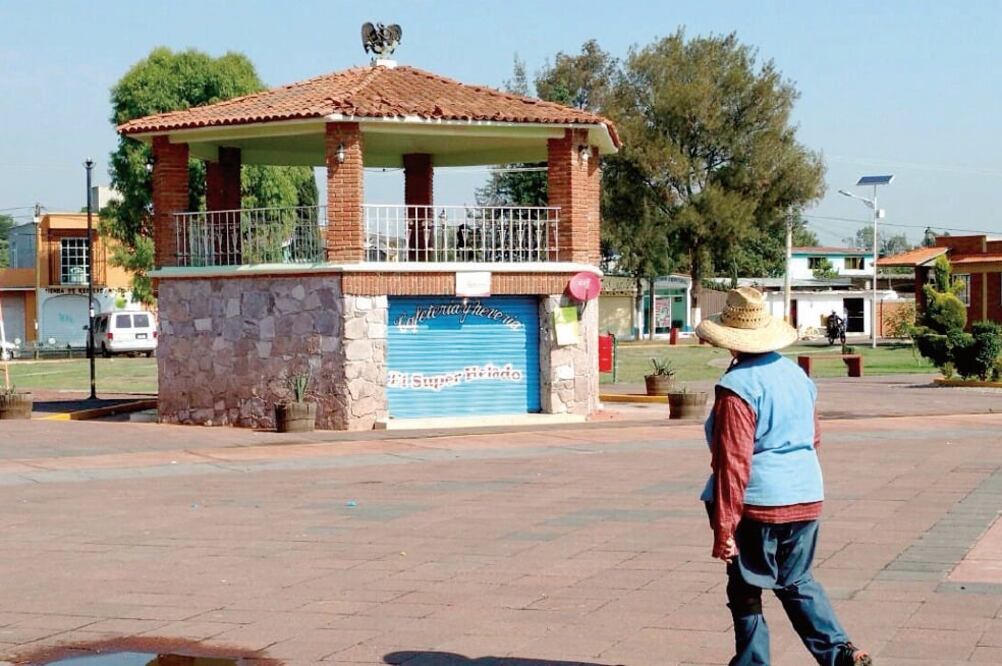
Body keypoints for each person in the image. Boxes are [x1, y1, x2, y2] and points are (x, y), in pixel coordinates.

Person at [695, 287, 872, 666]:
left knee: (745, 586)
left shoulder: (736, 387)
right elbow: (814, 437)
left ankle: (752, 662)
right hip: (806, 494)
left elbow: (733, 462)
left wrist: (724, 529)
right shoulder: (796, 375)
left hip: (758, 504)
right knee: (797, 581)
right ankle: (840, 653)